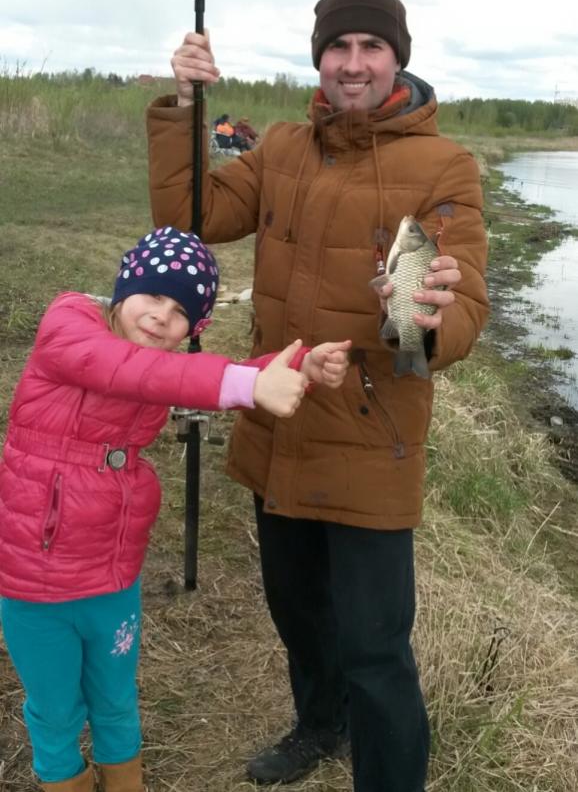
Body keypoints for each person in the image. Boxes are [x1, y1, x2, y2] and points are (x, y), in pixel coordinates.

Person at [146, 0, 489, 792]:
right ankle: (319, 725)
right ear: (318, 57)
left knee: (376, 648)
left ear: (397, 59)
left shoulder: (444, 166)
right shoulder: (281, 148)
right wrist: (185, 107)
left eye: (372, 46)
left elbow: (466, 304)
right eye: (339, 46)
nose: (354, 62)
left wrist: (430, 318)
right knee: (298, 614)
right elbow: (191, 218)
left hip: (373, 442)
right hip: (279, 422)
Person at [0, 225, 351, 792]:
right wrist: (243, 385)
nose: (162, 316)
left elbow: (181, 375)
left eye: (182, 311)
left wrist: (297, 367)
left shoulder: (158, 359)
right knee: (56, 709)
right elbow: (133, 371)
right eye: (154, 294)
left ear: (195, 328)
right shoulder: (68, 326)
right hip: (34, 582)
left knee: (115, 698)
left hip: (111, 574)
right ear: (124, 285)